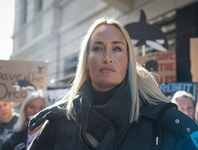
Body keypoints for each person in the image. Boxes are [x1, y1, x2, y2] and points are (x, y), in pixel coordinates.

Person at [28, 17, 198, 150]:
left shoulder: (168, 124)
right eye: (97, 48)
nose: (107, 57)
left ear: (129, 62)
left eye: (117, 48)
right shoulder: (55, 124)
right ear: (86, 62)